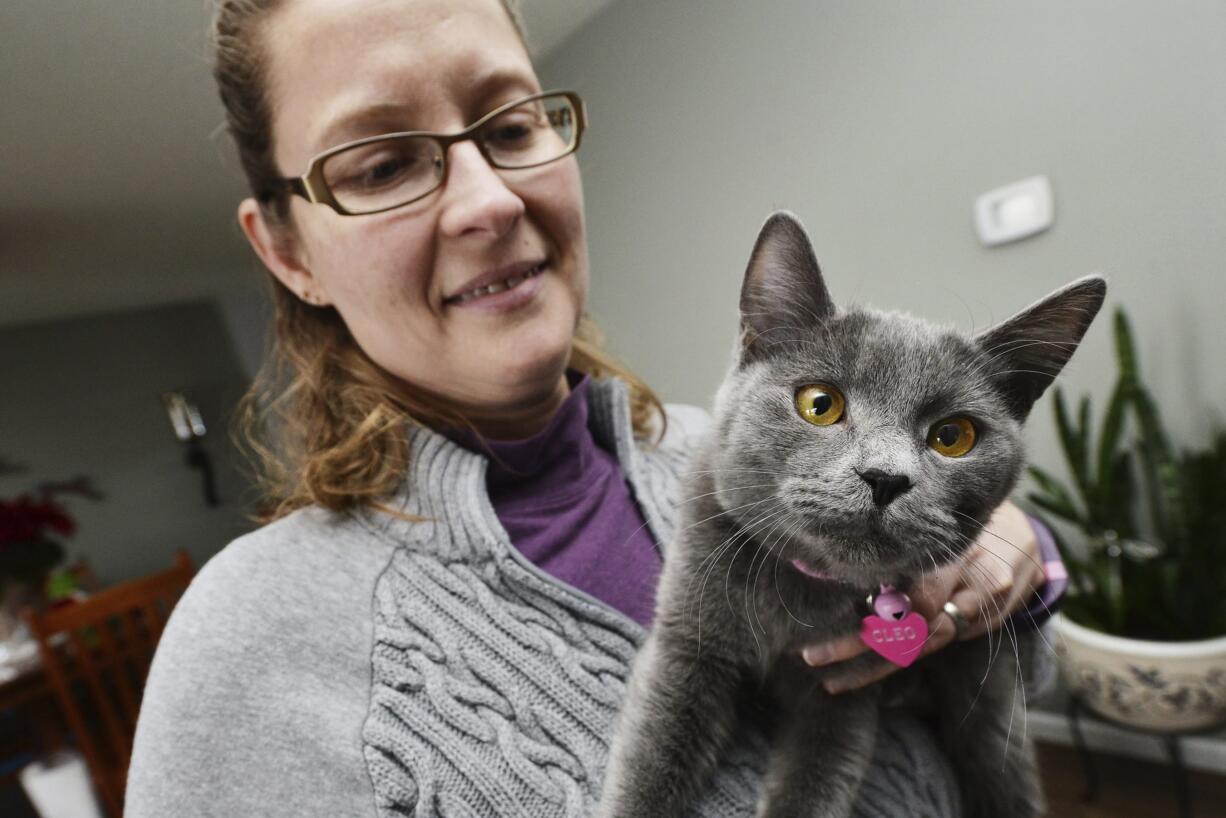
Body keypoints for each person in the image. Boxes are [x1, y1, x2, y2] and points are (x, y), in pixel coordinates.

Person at [125, 0, 1066, 815]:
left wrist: (1011, 571)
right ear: (287, 252)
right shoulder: (247, 646)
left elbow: (1014, 701)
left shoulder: (715, 451)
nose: (486, 202)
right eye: (380, 167)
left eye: (509, 126)